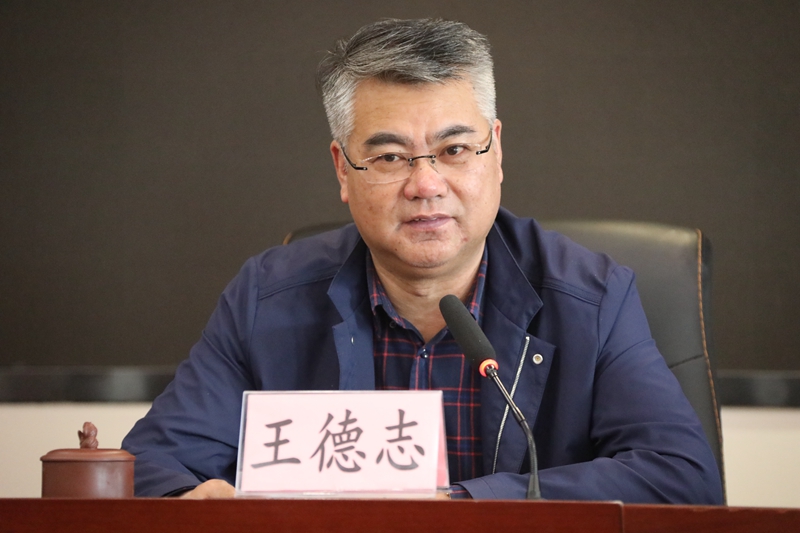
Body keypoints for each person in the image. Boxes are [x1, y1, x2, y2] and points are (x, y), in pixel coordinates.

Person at [122, 18, 723, 503]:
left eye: (454, 149)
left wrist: (462, 506)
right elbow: (145, 466)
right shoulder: (266, 297)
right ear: (342, 170)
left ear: (496, 151)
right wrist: (190, 499)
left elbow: (682, 479)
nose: (426, 185)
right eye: (390, 158)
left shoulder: (591, 298)